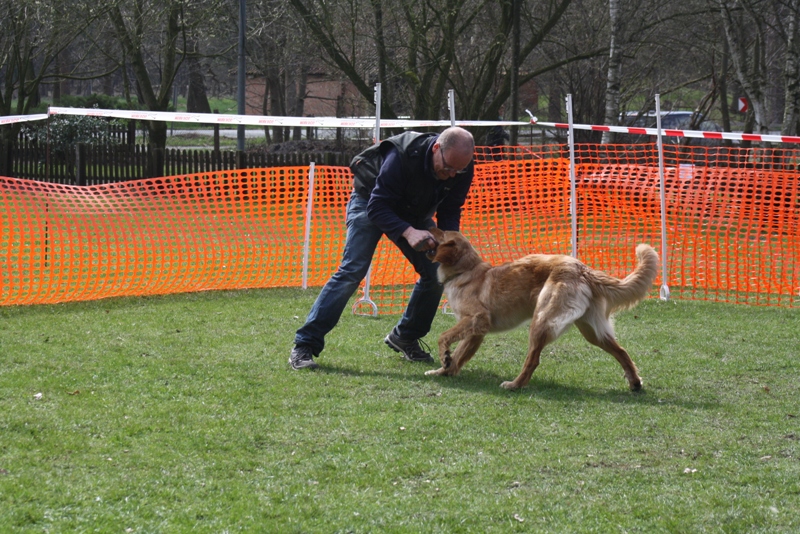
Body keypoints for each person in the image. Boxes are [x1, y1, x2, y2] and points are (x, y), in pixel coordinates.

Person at [289, 126, 476, 370]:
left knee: (436, 273)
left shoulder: (461, 166)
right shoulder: (401, 155)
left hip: (414, 210)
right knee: (352, 270)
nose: (452, 175)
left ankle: (405, 336)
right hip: (370, 202)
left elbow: (450, 208)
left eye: (458, 170)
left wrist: (447, 241)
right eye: (448, 167)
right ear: (437, 148)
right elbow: (377, 207)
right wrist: (408, 232)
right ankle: (304, 345)